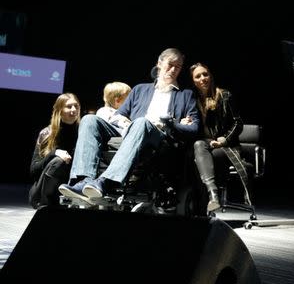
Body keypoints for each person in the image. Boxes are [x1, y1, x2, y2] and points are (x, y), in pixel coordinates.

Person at [59, 48, 199, 203]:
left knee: (142, 122)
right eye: (170, 64)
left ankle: (105, 182)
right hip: (131, 131)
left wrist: (170, 124)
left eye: (178, 66)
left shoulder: (186, 95)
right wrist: (123, 121)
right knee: (89, 120)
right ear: (159, 64)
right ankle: (82, 181)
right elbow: (118, 115)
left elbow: (194, 128)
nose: (173, 70)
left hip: (159, 138)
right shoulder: (140, 89)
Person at [184, 62, 247, 212]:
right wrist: (185, 121)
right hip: (204, 144)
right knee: (197, 146)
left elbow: (238, 123)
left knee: (201, 154)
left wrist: (224, 139)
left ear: (210, 76)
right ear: (193, 80)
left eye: (205, 74)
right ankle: (212, 194)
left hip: (225, 145)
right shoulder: (191, 99)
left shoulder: (224, 95)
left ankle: (206, 202)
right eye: (198, 76)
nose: (202, 78)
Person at [29, 93, 81, 208]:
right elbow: (34, 171)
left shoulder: (83, 132)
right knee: (59, 161)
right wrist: (54, 153)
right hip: (44, 194)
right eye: (69, 106)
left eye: (76, 106)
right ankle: (46, 204)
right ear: (59, 110)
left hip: (70, 190)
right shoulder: (47, 134)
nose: (74, 110)